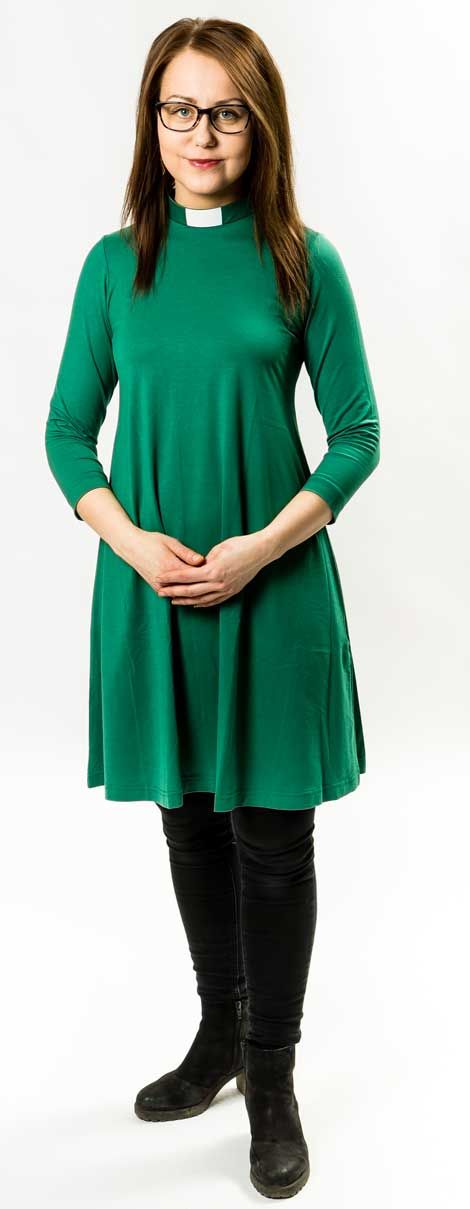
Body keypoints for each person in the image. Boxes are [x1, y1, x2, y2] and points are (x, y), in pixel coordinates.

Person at [44, 17, 381, 1201]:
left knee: (271, 841)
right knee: (188, 822)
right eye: (178, 109)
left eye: (227, 111)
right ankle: (217, 1037)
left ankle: (271, 1078)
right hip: (153, 597)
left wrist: (258, 549)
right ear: (151, 121)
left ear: (260, 123)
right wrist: (134, 544)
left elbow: (355, 435)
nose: (201, 133)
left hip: (271, 591)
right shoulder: (113, 265)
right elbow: (65, 433)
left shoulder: (301, 259)